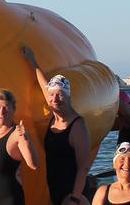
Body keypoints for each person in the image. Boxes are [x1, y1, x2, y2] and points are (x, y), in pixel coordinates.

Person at [22, 46, 91, 205]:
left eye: (59, 95)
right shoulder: (55, 114)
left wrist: (74, 198)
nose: (54, 99)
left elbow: (83, 168)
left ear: (68, 97)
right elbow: (45, 86)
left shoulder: (77, 125)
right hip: (56, 190)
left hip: (74, 193)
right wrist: (33, 62)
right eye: (52, 95)